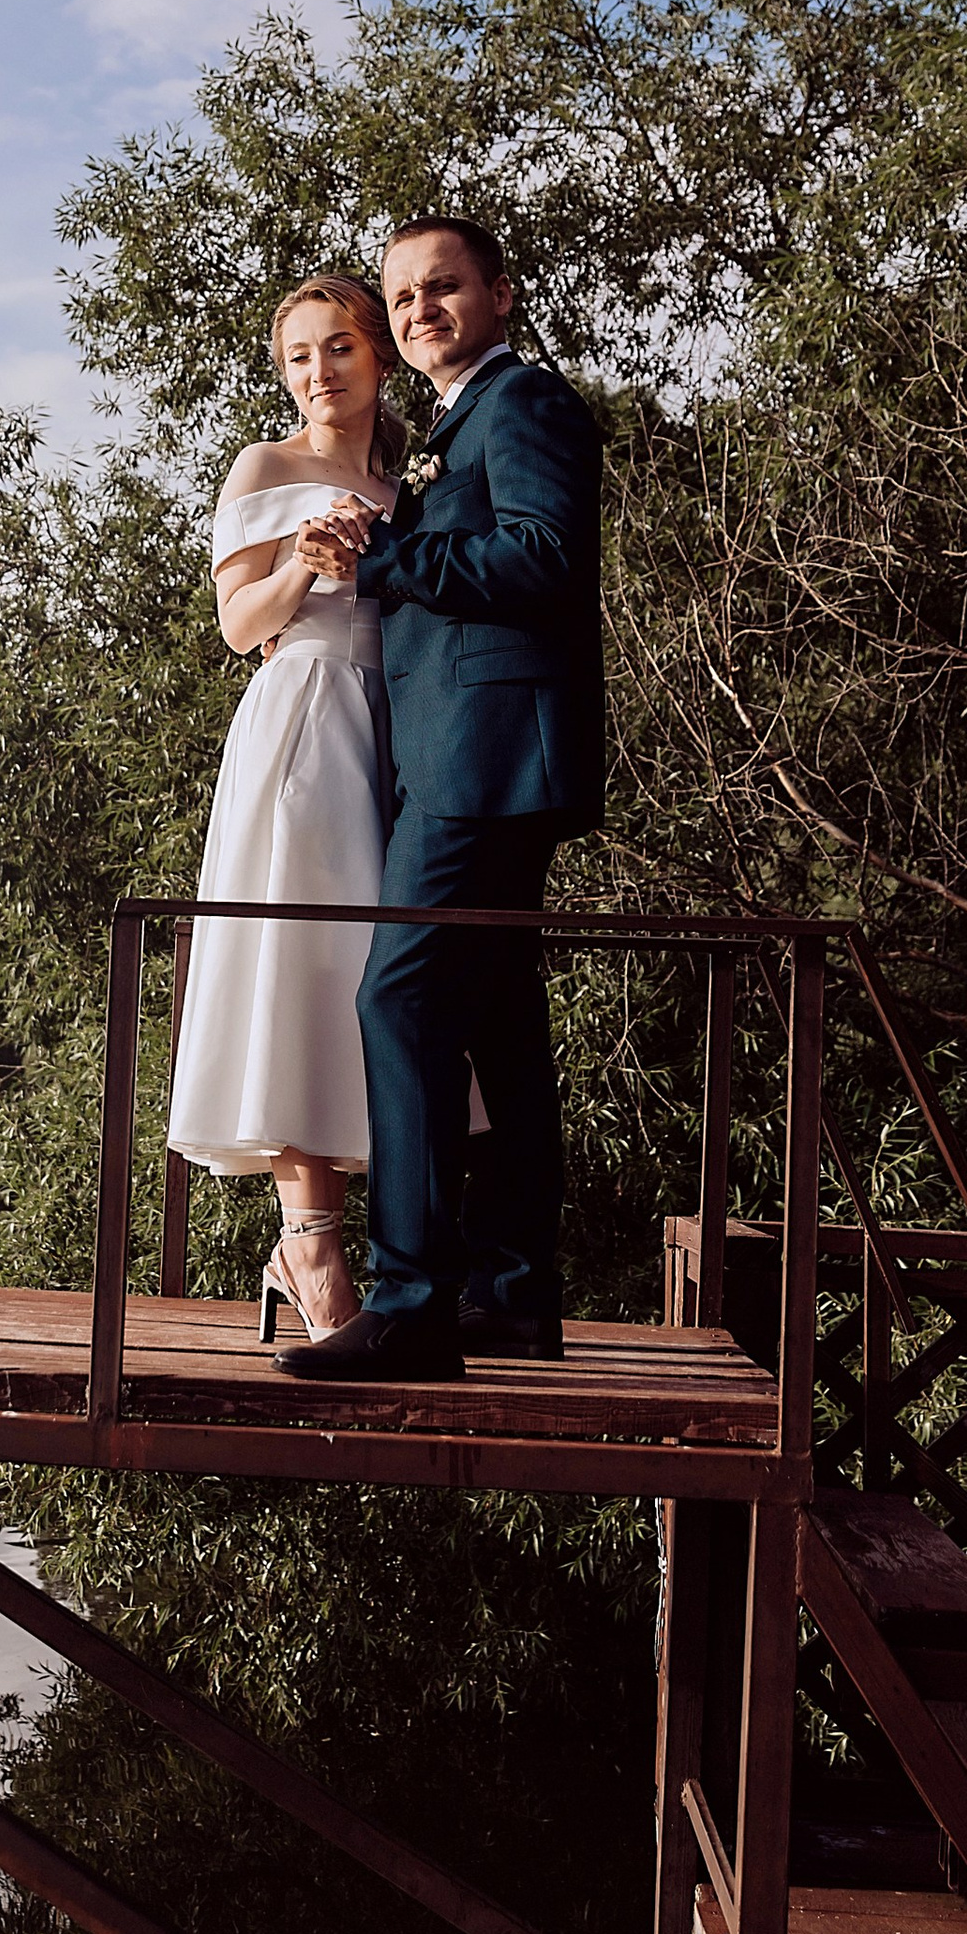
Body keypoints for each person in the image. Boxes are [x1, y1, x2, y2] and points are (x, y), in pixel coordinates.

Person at [273, 215, 604, 1380]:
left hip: (489, 754)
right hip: (468, 759)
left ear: (501, 296)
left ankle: (413, 1302)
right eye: (402, 294)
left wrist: (386, 559)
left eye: (444, 287)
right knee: (500, 1029)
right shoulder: (459, 424)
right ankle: (514, 1299)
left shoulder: (523, 408)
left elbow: (545, 558)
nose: (419, 309)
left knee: (399, 1003)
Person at [164, 272, 422, 1342]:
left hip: (401, 727)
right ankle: (312, 1253)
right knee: (302, 967)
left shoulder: (417, 479)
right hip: (306, 717)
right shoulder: (264, 468)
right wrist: (303, 575)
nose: (317, 373)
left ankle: (368, 1250)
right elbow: (236, 626)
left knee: (385, 981)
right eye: (297, 357)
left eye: (338, 350)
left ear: (380, 356)